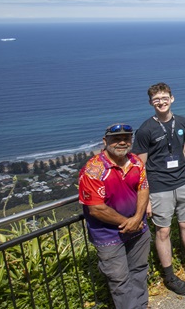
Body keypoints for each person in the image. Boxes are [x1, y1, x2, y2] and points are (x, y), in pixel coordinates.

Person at [132, 83, 185, 295]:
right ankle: (170, 276)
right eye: (156, 100)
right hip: (159, 187)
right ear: (151, 103)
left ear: (172, 99)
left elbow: (184, 148)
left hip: (184, 182)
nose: (161, 102)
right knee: (163, 231)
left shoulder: (182, 122)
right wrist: (144, 199)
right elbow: (140, 166)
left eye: (164, 98)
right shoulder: (145, 130)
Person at [79, 123, 150, 309]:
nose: (122, 142)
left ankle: (141, 305)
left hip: (138, 228)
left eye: (126, 138)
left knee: (140, 270)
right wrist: (130, 222)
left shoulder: (135, 162)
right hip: (108, 234)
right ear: (105, 141)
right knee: (119, 280)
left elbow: (143, 188)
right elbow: (96, 208)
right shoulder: (93, 170)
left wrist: (137, 218)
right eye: (116, 139)